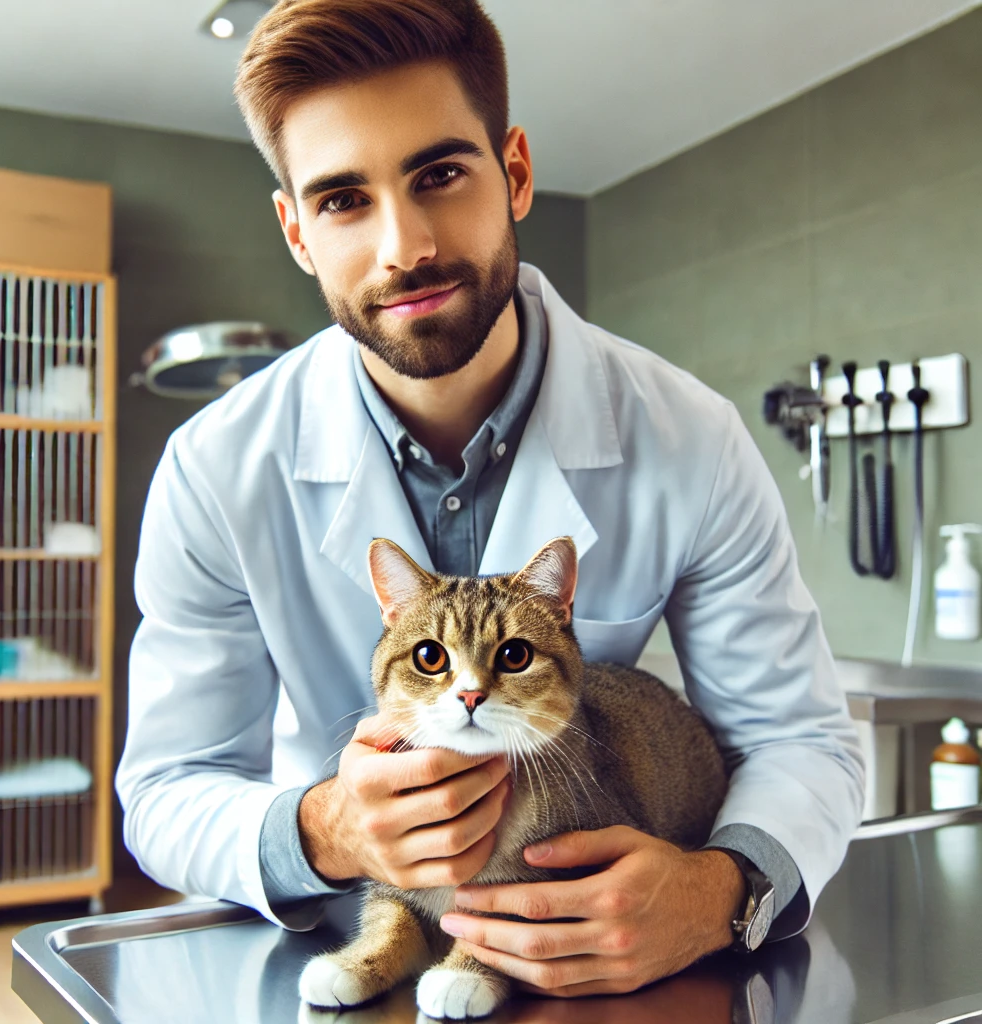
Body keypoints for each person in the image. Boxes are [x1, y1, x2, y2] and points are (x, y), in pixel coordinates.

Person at [116, 0, 864, 999]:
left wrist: (719, 892)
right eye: (344, 199)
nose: (405, 245)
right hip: (348, 958)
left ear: (512, 172)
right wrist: (329, 828)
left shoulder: (688, 436)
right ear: (296, 230)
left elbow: (796, 740)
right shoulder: (214, 467)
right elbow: (165, 788)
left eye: (439, 175)